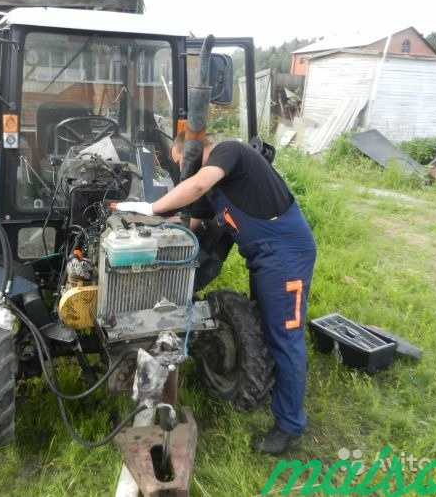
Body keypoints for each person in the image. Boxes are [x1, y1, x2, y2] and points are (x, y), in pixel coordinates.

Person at [114, 132, 317, 455]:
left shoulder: (229, 152)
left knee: (285, 337)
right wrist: (149, 232)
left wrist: (151, 207)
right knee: (268, 327)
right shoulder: (213, 190)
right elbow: (190, 224)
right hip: (263, 258)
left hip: (285, 256)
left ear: (192, 151)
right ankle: (277, 394)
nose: (184, 171)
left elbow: (193, 186)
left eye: (182, 163)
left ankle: (289, 425)